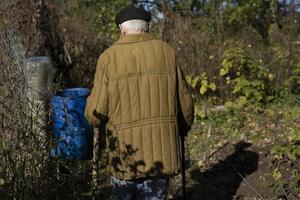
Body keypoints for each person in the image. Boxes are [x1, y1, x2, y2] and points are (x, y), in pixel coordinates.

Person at [85, 6, 194, 200]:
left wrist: (93, 120)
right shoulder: (166, 52)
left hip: (125, 157)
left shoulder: (108, 58)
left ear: (121, 28)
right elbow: (185, 102)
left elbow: (96, 113)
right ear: (148, 26)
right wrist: (182, 128)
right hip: (161, 155)